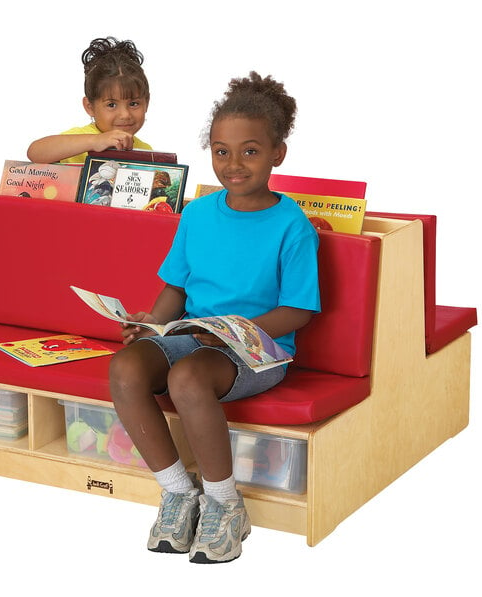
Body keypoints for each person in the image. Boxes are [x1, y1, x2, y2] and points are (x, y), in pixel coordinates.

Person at [109, 71, 321, 564]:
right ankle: (178, 493)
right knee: (126, 367)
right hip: (195, 337)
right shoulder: (199, 214)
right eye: (221, 151)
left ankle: (225, 505)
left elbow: (300, 311)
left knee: (186, 378)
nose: (233, 164)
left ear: (277, 153)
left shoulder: (293, 226)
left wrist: (237, 332)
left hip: (260, 348)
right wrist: (154, 325)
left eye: (250, 151)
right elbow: (177, 287)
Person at [27, 36, 151, 164]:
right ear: (89, 107)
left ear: (146, 103)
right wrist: (95, 141)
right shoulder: (79, 138)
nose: (125, 114)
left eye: (133, 104)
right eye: (111, 104)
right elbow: (34, 152)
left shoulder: (146, 151)